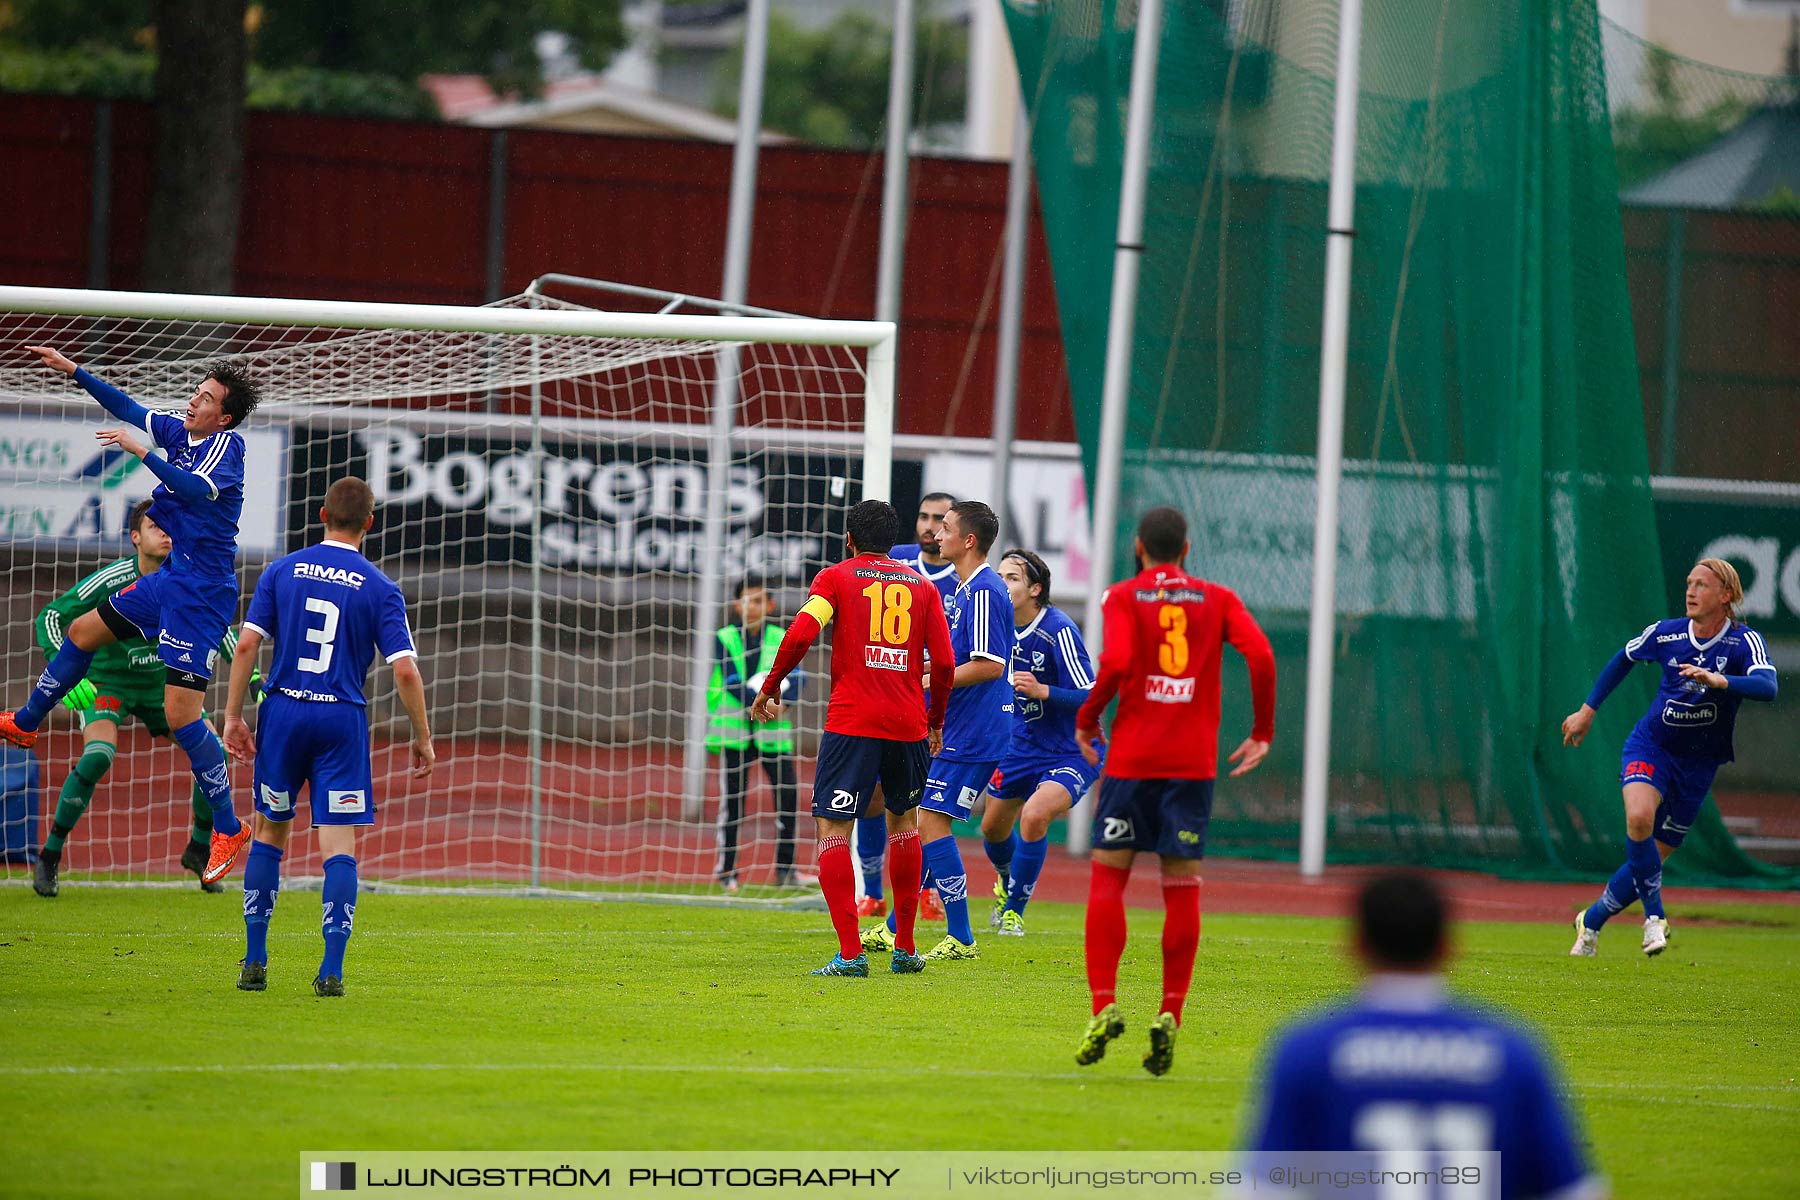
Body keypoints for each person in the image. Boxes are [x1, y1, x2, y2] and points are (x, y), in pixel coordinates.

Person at [3, 345, 260, 885]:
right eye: (198, 390)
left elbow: (190, 490)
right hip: (168, 582)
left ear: (225, 416)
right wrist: (74, 371)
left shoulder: (226, 447)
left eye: (207, 398)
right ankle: (26, 723)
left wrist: (140, 451)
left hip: (199, 595)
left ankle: (228, 828)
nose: (194, 400)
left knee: (185, 716)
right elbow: (126, 405)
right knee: (82, 629)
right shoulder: (181, 433)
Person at [1246, 872, 1605, 1200]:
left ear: (1356, 946)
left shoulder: (1309, 1051)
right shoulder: (1512, 1053)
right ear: (1447, 946)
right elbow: (1573, 1191)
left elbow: (1263, 1189)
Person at [1074, 506, 1274, 1075]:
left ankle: (1104, 1005)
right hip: (1190, 766)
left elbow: (1114, 661)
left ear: (1139, 547)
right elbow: (1260, 654)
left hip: (1134, 760)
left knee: (1109, 877)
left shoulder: (1122, 596)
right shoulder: (1218, 597)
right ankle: (1170, 1012)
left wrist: (1088, 720)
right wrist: (1262, 731)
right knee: (1181, 887)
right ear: (1186, 549)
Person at [221, 477, 435, 996]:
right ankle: (331, 970)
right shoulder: (381, 587)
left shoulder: (280, 571)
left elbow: (247, 644)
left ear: (320, 514)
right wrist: (422, 736)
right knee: (338, 844)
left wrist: (232, 715)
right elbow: (405, 671)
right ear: (369, 522)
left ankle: (255, 960)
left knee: (270, 831)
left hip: (284, 713)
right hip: (340, 720)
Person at [749, 499, 954, 977]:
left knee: (833, 828)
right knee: (905, 825)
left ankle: (849, 954)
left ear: (849, 539)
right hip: (907, 724)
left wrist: (771, 683)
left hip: (852, 723)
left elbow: (801, 632)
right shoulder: (923, 589)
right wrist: (936, 721)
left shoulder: (836, 578)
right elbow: (943, 663)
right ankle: (905, 948)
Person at [1562, 558, 1778, 958]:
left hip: (1698, 765)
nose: (1691, 591)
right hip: (1652, 746)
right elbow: (1623, 657)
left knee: (1649, 860)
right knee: (1640, 818)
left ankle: (1590, 921)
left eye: (1702, 585)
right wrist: (1587, 711)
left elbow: (1768, 686)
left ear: (1726, 595)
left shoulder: (1742, 641)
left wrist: (1721, 680)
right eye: (1689, 583)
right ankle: (1654, 918)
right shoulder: (1667, 634)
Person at [30, 499, 241, 896]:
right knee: (98, 756)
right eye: (154, 526)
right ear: (134, 537)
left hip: (164, 688)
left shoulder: (187, 576)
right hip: (109, 685)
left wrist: (257, 678)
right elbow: (52, 617)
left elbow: (221, 629)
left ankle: (198, 847)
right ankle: (50, 856)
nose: (165, 532)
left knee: (215, 749)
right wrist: (65, 673)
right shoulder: (111, 580)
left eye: (169, 526)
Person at [862, 499, 1014, 962]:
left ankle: (962, 937)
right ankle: (896, 928)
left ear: (968, 540)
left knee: (928, 821)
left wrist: (926, 678)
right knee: (925, 822)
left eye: (945, 528)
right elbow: (958, 657)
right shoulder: (967, 590)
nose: (936, 535)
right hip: (959, 729)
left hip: (976, 732)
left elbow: (989, 666)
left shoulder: (985, 590)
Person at [977, 548, 1097, 937]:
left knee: (1034, 816)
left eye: (1012, 577)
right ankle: (1009, 880)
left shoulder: (1057, 629)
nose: (1001, 583)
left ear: (1035, 589)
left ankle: (1014, 911)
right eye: (999, 575)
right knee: (992, 829)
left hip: (1071, 750)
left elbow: (1092, 696)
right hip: (1019, 747)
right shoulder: (994, 625)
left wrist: (1045, 690)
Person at [855, 491, 957, 919]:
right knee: (872, 799)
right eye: (923, 516)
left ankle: (926, 893)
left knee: (927, 808)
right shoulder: (893, 560)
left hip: (946, 710)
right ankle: (874, 893)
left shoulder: (965, 579)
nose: (929, 525)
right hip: (894, 703)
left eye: (940, 519)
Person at [706, 576, 809, 891]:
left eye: (759, 600)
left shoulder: (781, 636)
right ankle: (727, 872)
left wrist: (785, 704)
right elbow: (731, 680)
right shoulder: (724, 637)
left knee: (788, 797)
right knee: (734, 802)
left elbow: (800, 677)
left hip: (772, 733)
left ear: (770, 605)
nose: (752, 607)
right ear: (737, 605)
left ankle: (785, 870)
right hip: (736, 733)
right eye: (747, 600)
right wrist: (760, 702)